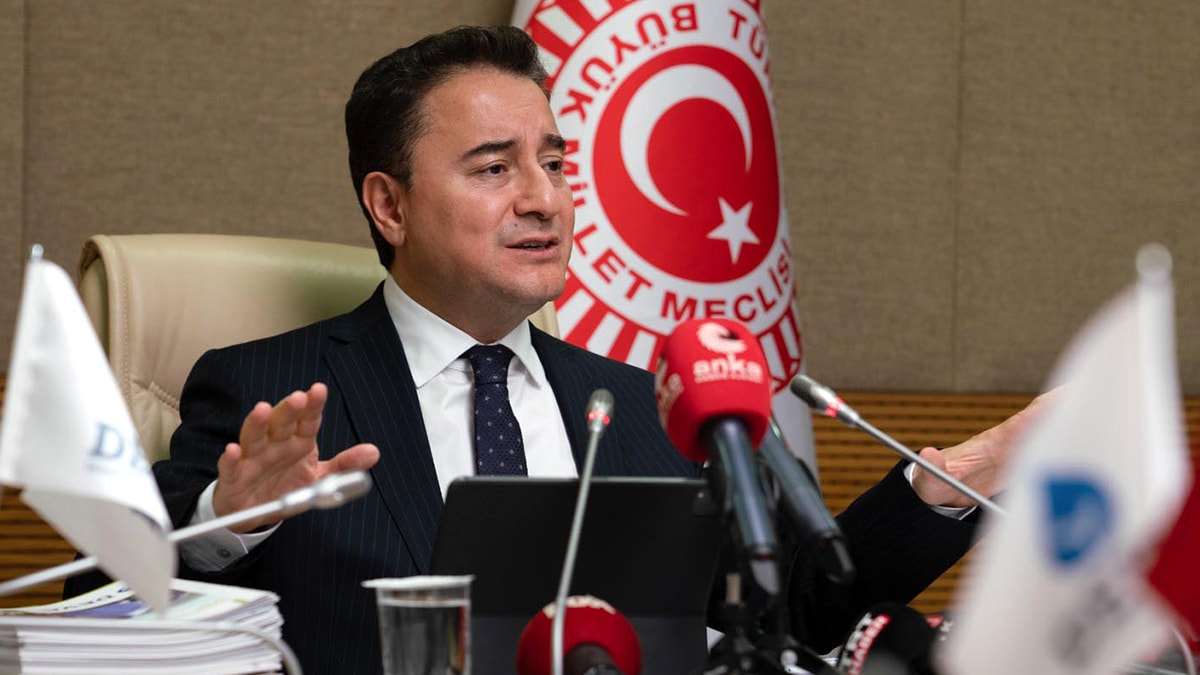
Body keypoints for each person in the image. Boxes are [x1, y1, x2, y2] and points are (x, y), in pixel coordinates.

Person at [64, 24, 1040, 674]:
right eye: (495, 168)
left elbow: (803, 611)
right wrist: (227, 520)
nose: (544, 199)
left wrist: (953, 477)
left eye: (555, 162)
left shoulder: (647, 404)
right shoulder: (271, 388)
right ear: (389, 204)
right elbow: (90, 604)